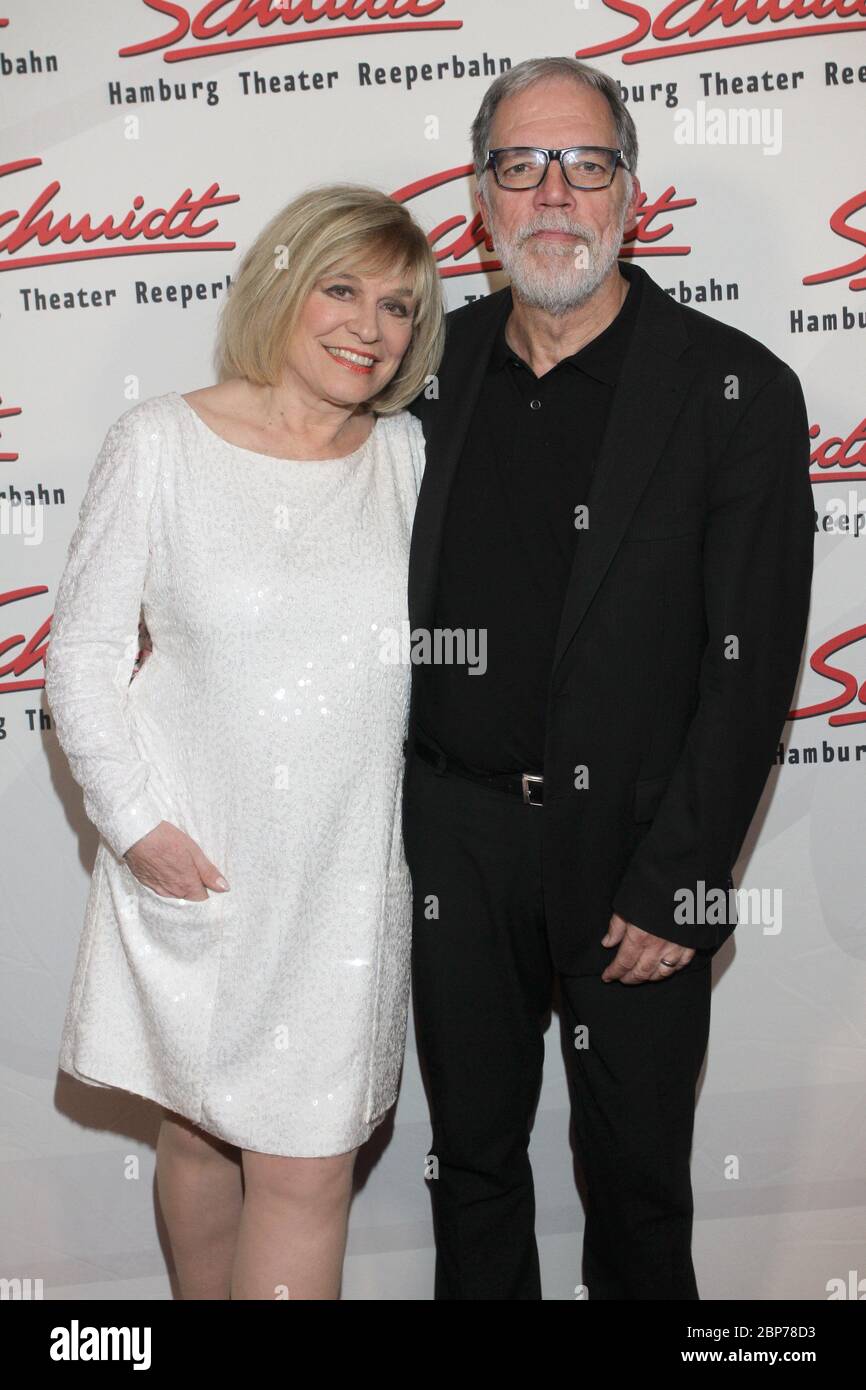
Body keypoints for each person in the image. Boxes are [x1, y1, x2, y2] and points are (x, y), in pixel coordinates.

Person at [403, 57, 814, 1299]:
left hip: (637, 853)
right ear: (477, 199)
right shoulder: (421, 373)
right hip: (454, 843)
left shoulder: (732, 390)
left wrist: (683, 879)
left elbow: (747, 668)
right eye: (519, 167)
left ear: (631, 196)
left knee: (636, 1192)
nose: (553, 195)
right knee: (470, 1169)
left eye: (585, 166)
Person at [45, 183, 444, 1300]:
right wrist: (135, 830)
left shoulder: (408, 459)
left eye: (400, 306)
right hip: (200, 865)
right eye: (342, 289)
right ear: (281, 284)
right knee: (198, 1131)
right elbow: (78, 659)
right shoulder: (162, 442)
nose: (370, 326)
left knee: (307, 1170)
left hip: (342, 885)